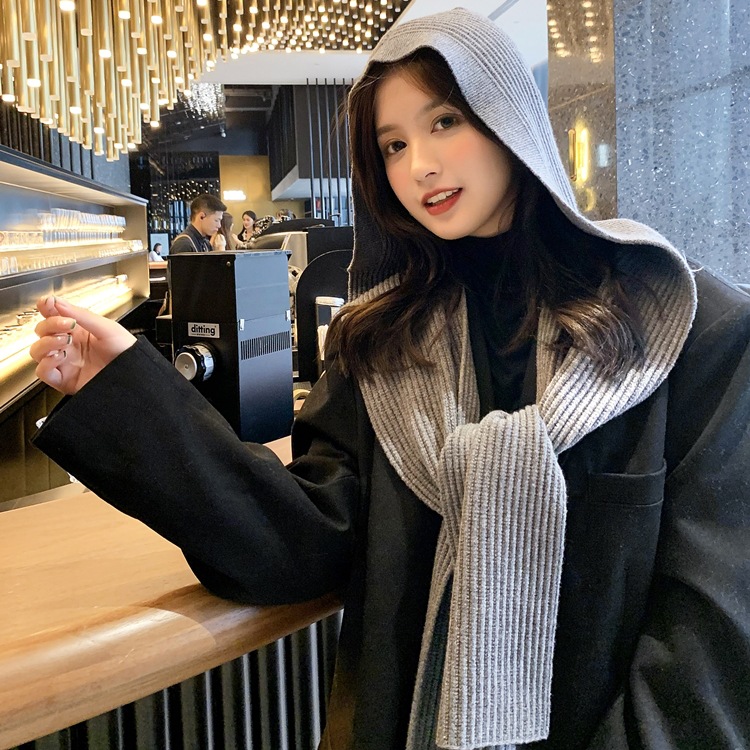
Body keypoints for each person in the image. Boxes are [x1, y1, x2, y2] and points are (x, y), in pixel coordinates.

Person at [27, 8, 750, 750]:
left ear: (510, 116)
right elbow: (301, 543)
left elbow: (713, 642)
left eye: (444, 122)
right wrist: (134, 391)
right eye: (393, 145)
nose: (419, 166)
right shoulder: (380, 344)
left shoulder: (682, 328)